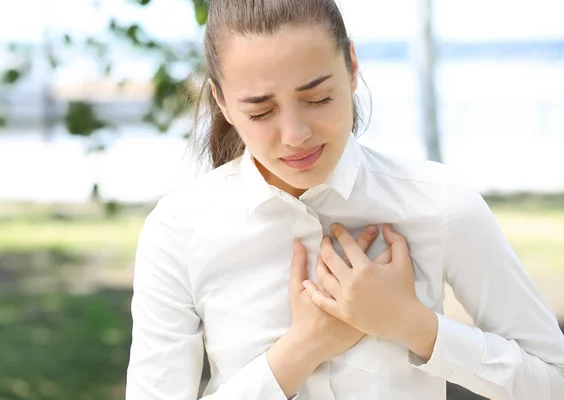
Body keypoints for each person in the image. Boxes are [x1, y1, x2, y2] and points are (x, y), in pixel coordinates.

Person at [125, 0, 564, 398]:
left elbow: (552, 381)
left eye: (318, 98)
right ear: (221, 101)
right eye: (260, 112)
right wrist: (302, 349)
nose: (295, 135)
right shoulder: (177, 231)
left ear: (352, 66)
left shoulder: (441, 204)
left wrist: (412, 324)